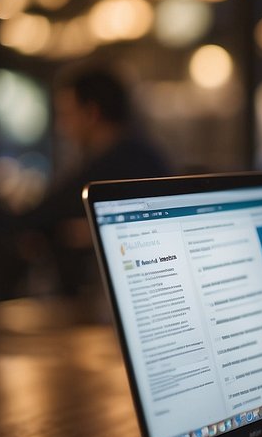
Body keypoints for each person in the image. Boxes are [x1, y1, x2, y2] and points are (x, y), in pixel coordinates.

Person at [16, 63, 170, 294]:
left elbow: (42, 215)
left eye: (67, 114)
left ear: (91, 113)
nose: (60, 126)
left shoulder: (110, 167)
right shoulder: (147, 154)